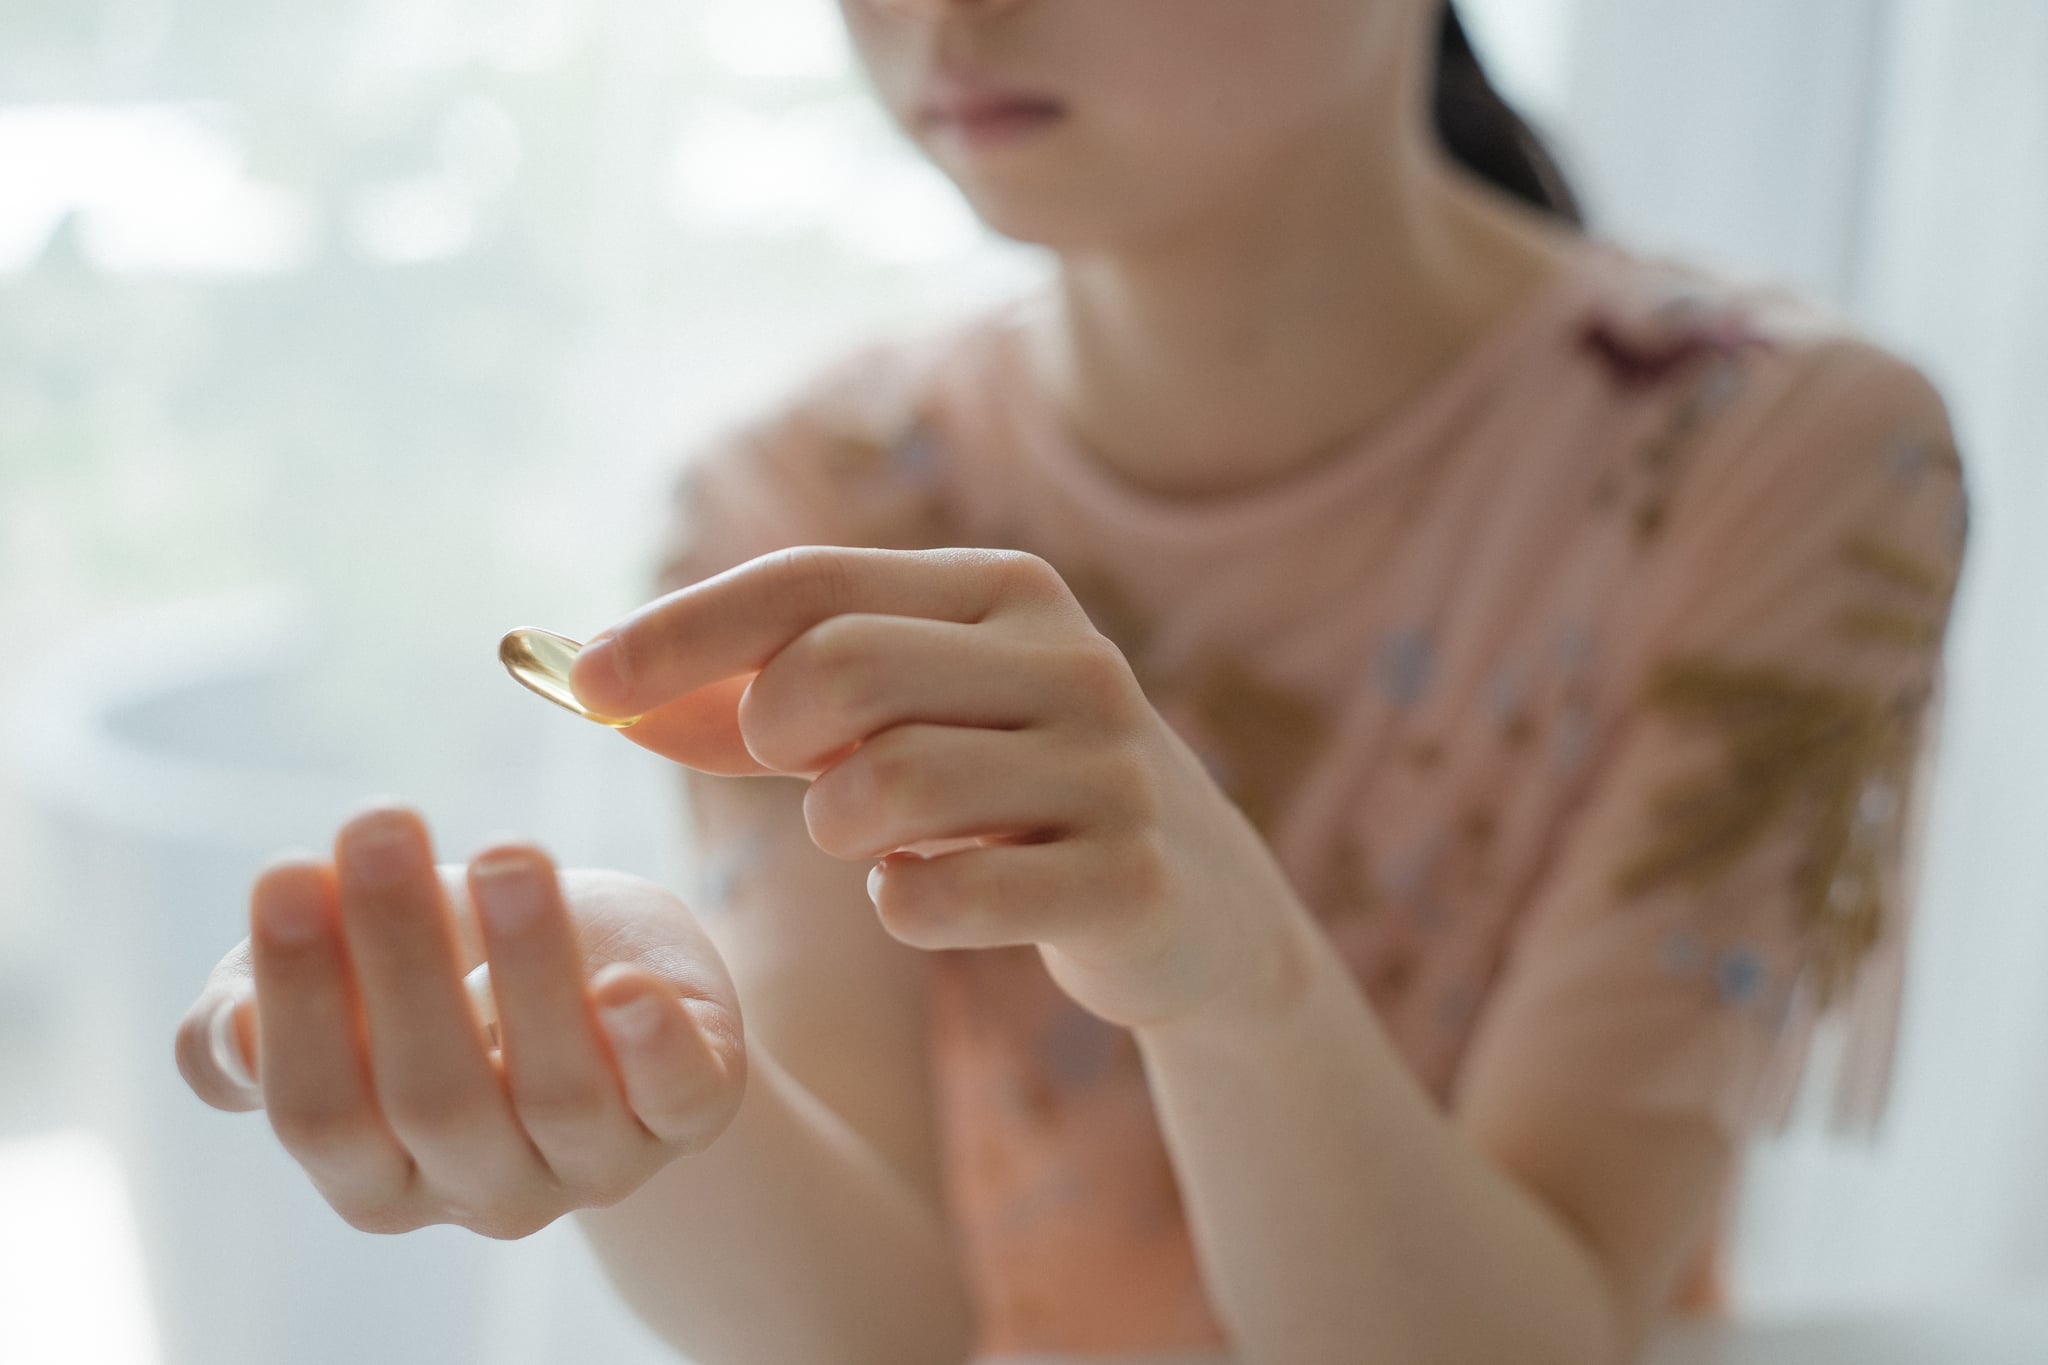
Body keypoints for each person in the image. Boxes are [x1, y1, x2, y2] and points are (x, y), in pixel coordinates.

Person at [174, 2, 1972, 1363]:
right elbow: (884, 1328)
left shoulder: (1789, 463)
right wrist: (637, 1095)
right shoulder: (804, 494)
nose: (944, 16)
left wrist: (1235, 971)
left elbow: (1544, 1323)